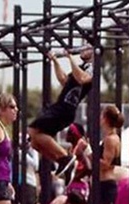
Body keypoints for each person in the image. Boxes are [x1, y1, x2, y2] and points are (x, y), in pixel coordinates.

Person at [28, 47, 94, 181]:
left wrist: (70, 57)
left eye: (87, 48)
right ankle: (62, 162)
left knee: (33, 131)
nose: (82, 50)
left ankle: (66, 158)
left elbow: (82, 78)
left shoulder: (93, 68)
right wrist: (55, 61)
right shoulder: (80, 67)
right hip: (60, 106)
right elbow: (64, 80)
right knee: (34, 142)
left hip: (65, 108)